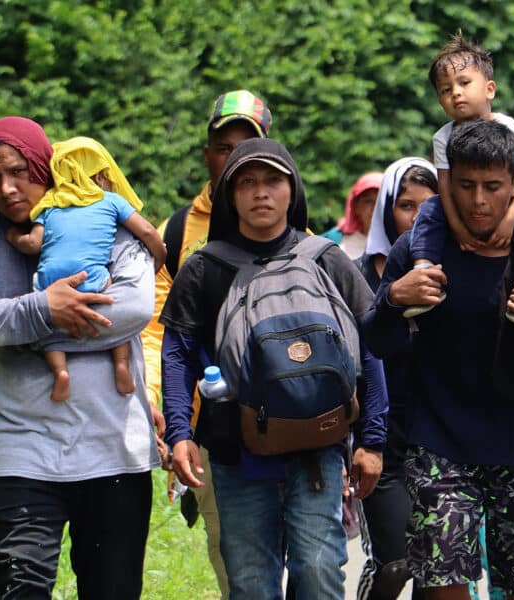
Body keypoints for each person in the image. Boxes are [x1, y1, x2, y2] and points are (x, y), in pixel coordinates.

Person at [364, 120, 514, 600]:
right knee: (441, 583)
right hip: (441, 447)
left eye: (492, 187)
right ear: (447, 182)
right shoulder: (419, 250)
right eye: (466, 186)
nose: (478, 201)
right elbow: (375, 341)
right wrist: (393, 297)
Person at [0, 116, 160, 598]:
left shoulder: (106, 221)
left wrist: (16, 328)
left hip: (114, 451)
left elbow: (136, 308)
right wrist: (43, 309)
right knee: (21, 588)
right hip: (18, 454)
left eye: (19, 171)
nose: (7, 188)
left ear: (46, 163)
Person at [160, 137, 386, 599]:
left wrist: (373, 441)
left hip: (317, 445)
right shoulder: (204, 268)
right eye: (247, 182)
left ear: (292, 190)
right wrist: (180, 433)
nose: (260, 192)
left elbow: (371, 348)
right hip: (232, 448)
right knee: (251, 584)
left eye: (272, 181)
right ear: (230, 194)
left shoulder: (326, 259)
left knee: (320, 572)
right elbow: (177, 352)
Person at [140, 89, 271, 595]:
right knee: (236, 562)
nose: (233, 157)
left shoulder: (292, 228)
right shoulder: (173, 233)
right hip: (211, 431)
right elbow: (155, 332)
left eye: (247, 145)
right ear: (207, 154)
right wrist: (166, 415)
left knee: (305, 557)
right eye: (223, 146)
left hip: (291, 423)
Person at [4, 136, 166, 402]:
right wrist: (157, 261)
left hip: (52, 284)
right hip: (94, 279)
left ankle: (60, 371)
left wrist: (12, 237)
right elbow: (148, 232)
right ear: (100, 175)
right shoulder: (110, 200)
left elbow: (33, 243)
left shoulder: (51, 205)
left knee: (47, 331)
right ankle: (122, 364)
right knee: (117, 317)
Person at [404, 32, 514, 330]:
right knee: (429, 211)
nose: (455, 93)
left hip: (512, 204)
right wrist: (457, 227)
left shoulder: (507, 126)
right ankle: (425, 275)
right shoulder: (442, 137)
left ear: (490, 89)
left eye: (464, 83)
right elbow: (444, 186)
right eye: (445, 90)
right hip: (458, 208)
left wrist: (509, 219)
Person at [354, 157, 436, 600]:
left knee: (436, 568)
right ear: (388, 208)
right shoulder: (358, 275)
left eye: (428, 206)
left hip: (439, 442)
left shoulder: (450, 272)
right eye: (406, 205)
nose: (417, 218)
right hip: (380, 442)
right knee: (394, 563)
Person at [322, 172, 385, 258]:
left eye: (380, 201)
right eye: (368, 201)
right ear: (356, 206)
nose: (374, 208)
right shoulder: (331, 241)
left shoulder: (401, 243)